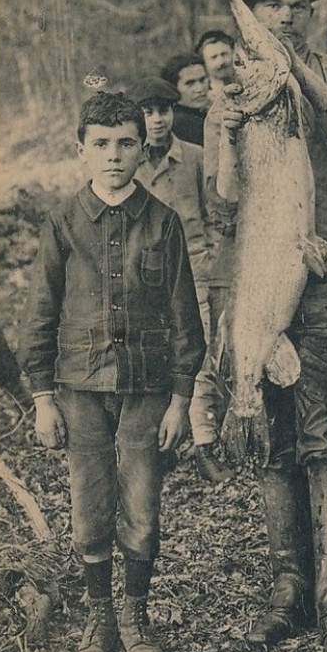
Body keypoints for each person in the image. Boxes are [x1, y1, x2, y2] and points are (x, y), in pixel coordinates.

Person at [207, 0, 327, 652]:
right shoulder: (240, 88)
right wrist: (226, 120)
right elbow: (224, 196)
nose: (287, 13)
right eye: (272, 3)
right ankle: (290, 589)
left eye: (298, 2)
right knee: (275, 442)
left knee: (325, 441)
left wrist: (297, 73)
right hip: (261, 278)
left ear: (313, 11)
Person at [18, 91, 205, 652]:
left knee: (143, 503)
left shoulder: (164, 222)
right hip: (78, 387)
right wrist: (43, 398)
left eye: (126, 143)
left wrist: (181, 399)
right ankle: (99, 617)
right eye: (100, 144)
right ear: (82, 151)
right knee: (89, 503)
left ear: (142, 146)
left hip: (148, 388)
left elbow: (184, 318)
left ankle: (134, 613)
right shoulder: (62, 224)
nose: (114, 155)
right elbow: (41, 315)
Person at [130, 76, 230, 485]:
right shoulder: (128, 162)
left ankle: (204, 445)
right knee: (152, 357)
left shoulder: (194, 157)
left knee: (199, 358)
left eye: (164, 111)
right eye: (148, 112)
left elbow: (214, 218)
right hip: (146, 280)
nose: (156, 120)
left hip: (196, 274)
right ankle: (161, 446)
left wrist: (210, 261)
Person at [160, 52, 209, 146]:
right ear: (173, 88)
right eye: (190, 83)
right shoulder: (183, 123)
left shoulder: (199, 114)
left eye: (202, 80)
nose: (199, 89)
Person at [195, 30, 235, 101]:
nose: (221, 62)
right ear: (204, 62)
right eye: (214, 57)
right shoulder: (202, 97)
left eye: (224, 54)